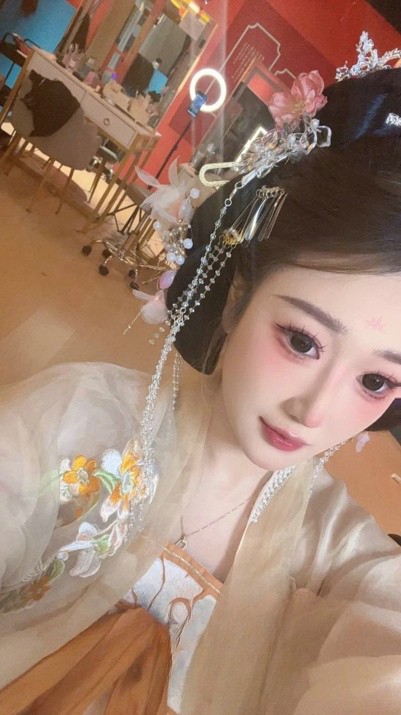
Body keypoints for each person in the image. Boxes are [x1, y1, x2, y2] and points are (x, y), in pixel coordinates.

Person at [2, 34, 401, 714]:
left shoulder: (335, 550)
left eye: (374, 381)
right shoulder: (78, 420)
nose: (313, 411)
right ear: (238, 297)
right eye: (301, 340)